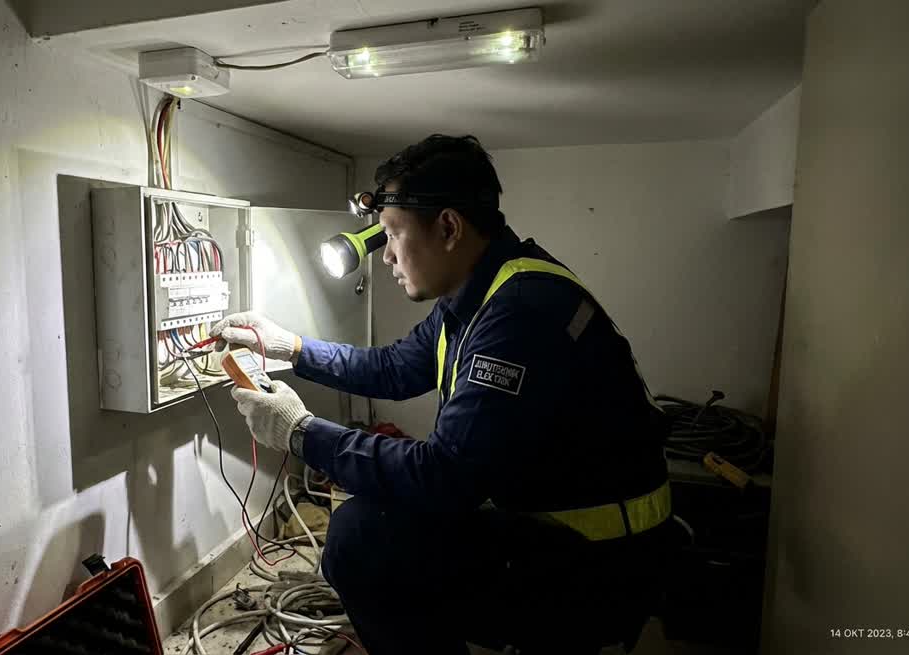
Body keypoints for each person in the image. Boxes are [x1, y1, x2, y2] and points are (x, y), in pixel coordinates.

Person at [210, 135, 677, 654]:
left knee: (361, 538)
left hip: (601, 565)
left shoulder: (519, 311)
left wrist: (301, 433)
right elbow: (394, 368)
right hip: (568, 535)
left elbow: (445, 477)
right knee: (379, 510)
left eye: (391, 233)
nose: (385, 255)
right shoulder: (485, 291)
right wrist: (290, 347)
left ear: (449, 227)